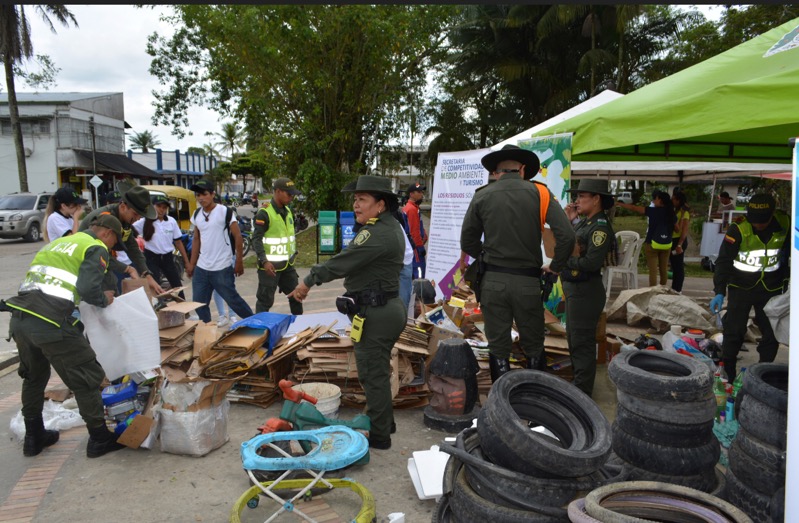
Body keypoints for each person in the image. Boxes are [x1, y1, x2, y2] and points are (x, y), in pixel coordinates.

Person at [288, 175, 406, 450]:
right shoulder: (385, 227)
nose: (356, 204)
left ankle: (379, 437)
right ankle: (384, 421)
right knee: (377, 370)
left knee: (371, 374)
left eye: (362, 199)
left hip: (377, 313)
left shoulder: (378, 233)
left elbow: (343, 262)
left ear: (380, 205)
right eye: (355, 199)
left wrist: (308, 281)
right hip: (380, 308)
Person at [2, 214, 129, 458]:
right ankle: (100, 438)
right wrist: (106, 299)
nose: (111, 249)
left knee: (33, 378)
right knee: (86, 376)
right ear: (106, 234)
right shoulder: (96, 246)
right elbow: (89, 289)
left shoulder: (59, 243)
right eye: (113, 243)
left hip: (20, 320)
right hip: (51, 322)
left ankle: (34, 436)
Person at [460, 144, 575, 382]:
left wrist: (485, 255)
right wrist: (555, 266)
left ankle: (500, 404)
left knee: (498, 347)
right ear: (522, 169)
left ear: (496, 171)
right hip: (528, 283)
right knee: (533, 344)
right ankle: (536, 406)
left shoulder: (482, 194)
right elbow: (567, 236)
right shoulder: (540, 193)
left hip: (492, 282)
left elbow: (467, 241)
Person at [709, 194, 789, 382]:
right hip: (741, 286)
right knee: (734, 330)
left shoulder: (785, 223)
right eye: (754, 220)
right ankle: (728, 372)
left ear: (772, 215)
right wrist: (719, 291)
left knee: (771, 333)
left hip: (771, 288)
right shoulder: (739, 228)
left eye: (762, 221)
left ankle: (761, 373)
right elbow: (724, 261)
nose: (758, 225)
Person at [553, 179, 615, 397]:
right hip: (576, 291)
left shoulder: (600, 228)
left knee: (582, 344)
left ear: (596, 199)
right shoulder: (585, 222)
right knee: (574, 340)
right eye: (576, 197)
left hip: (586, 292)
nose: (576, 201)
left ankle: (582, 394)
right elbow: (574, 244)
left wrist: (561, 263)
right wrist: (570, 221)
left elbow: (590, 263)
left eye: (581, 196)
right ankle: (580, 387)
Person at [187, 178, 253, 323]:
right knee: (198, 303)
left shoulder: (225, 212)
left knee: (233, 300)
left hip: (222, 267)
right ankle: (207, 329)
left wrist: (239, 262)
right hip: (202, 268)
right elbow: (196, 239)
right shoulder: (197, 214)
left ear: (212, 194)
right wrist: (192, 264)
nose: (201, 198)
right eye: (198, 195)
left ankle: (256, 323)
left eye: (204, 194)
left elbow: (238, 236)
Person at [79, 185, 164, 296]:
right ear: (124, 207)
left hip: (101, 264)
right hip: (87, 264)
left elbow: (132, 247)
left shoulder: (125, 220)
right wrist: (128, 269)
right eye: (135, 214)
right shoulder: (105, 220)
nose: (138, 219)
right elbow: (99, 256)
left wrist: (146, 274)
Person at [252, 177, 303, 315]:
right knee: (264, 301)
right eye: (289, 194)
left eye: (293, 194)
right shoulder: (265, 213)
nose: (291, 197)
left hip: (287, 265)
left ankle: (300, 329)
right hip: (270, 267)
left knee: (296, 296)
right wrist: (264, 261)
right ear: (278, 191)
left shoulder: (287, 211)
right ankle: (261, 331)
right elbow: (256, 239)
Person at [132, 194, 190, 299]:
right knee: (155, 286)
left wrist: (186, 261)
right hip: (151, 257)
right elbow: (130, 230)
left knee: (176, 284)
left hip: (167, 257)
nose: (161, 210)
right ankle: (157, 310)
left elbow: (178, 242)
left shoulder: (171, 221)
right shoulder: (144, 221)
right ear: (152, 206)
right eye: (159, 207)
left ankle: (184, 312)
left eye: (164, 208)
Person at [617, 190, 674, 286]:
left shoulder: (652, 211)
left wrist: (619, 204)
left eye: (655, 199)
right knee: (663, 270)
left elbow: (634, 208)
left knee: (653, 271)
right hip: (667, 245)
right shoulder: (671, 213)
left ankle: (652, 291)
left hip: (652, 244)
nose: (653, 201)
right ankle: (663, 290)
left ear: (660, 200)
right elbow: (676, 228)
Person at [403, 183, 428, 279]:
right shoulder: (411, 209)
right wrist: (420, 247)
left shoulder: (414, 207)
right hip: (416, 247)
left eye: (422, 191)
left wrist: (424, 235)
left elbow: (419, 226)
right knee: (419, 272)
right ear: (411, 194)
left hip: (415, 245)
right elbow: (414, 231)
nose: (421, 194)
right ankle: (419, 293)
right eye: (419, 192)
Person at [670, 189, 690, 293]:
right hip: (673, 239)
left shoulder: (685, 213)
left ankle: (678, 289)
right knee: (674, 265)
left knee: (678, 266)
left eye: (674, 199)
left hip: (679, 240)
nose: (672, 200)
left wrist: (680, 244)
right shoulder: (676, 211)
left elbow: (684, 230)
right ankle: (674, 287)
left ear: (678, 200)